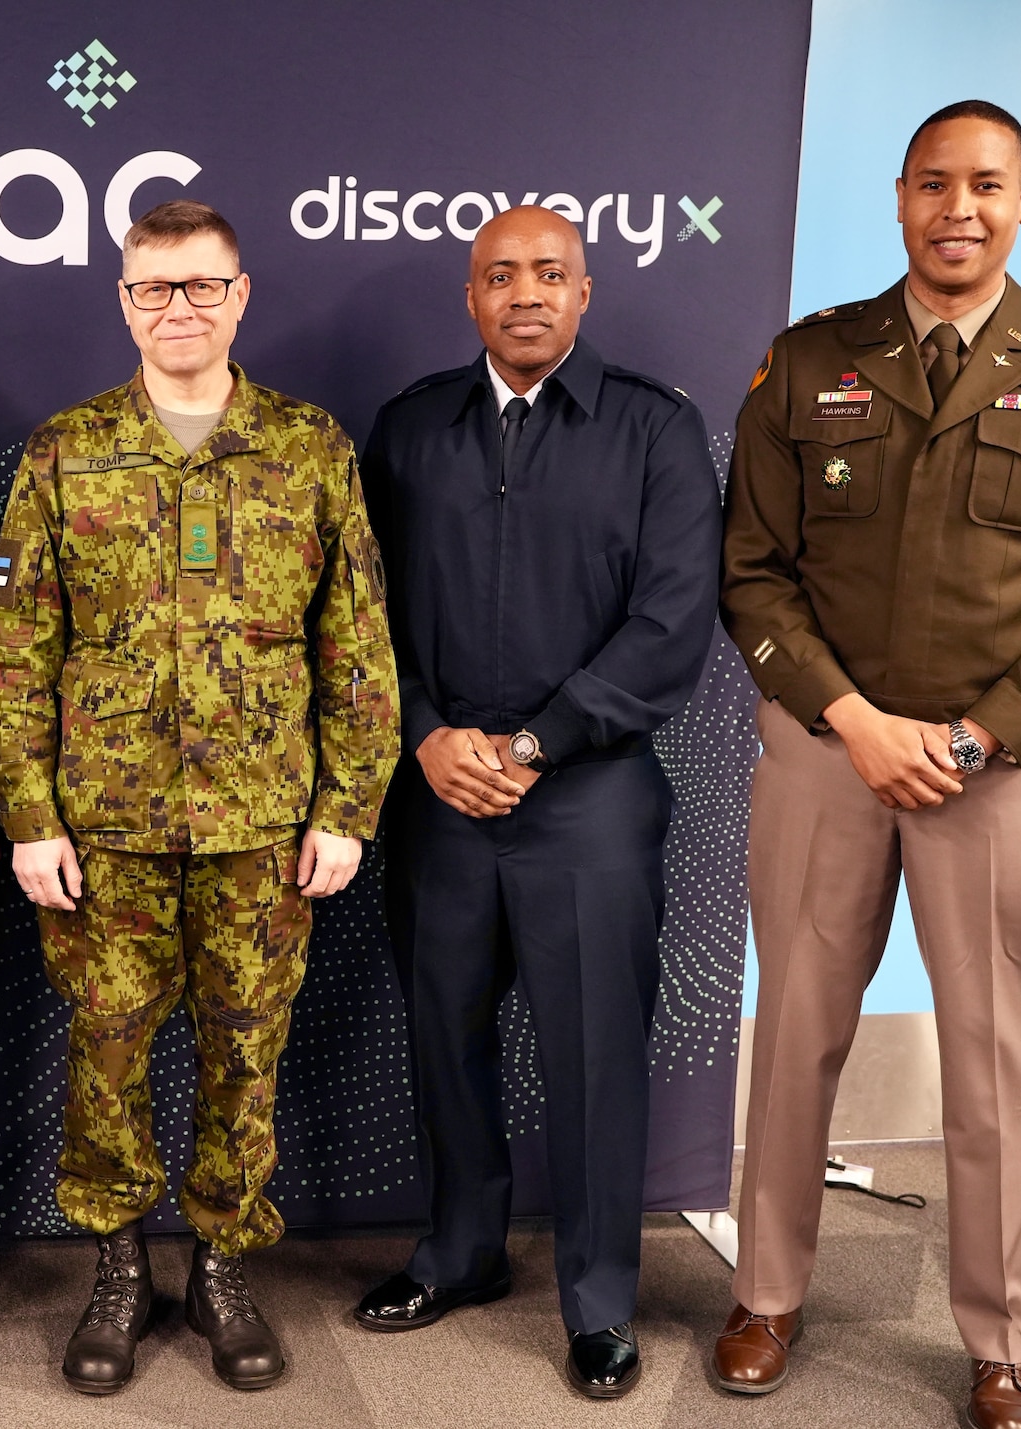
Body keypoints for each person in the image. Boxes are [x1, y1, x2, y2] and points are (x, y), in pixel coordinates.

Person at [716, 101, 1021, 1429]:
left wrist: (978, 734)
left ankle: (1008, 1341)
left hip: (998, 769)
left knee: (996, 1062)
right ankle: (766, 1294)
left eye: (985, 185)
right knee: (794, 1035)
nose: (957, 208)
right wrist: (855, 719)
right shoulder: (810, 361)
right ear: (899, 198)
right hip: (824, 753)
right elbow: (753, 572)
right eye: (933, 184)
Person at [0, 199, 399, 1394]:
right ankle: (118, 1269)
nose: (177, 308)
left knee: (245, 1052)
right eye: (152, 288)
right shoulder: (65, 449)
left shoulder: (309, 447)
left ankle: (220, 1262)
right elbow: (18, 649)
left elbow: (355, 642)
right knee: (103, 1053)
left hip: (262, 829)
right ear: (122, 301)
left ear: (240, 294)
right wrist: (28, 815)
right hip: (101, 830)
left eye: (199, 286)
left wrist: (345, 808)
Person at [352, 206, 722, 1398]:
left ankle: (599, 1297)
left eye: (548, 273)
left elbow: (670, 625)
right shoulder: (409, 428)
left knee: (594, 1056)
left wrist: (532, 742)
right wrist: (423, 737)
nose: (524, 292)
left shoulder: (655, 432)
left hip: (590, 800)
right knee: (442, 1041)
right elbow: (357, 616)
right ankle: (458, 1252)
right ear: (469, 298)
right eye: (498, 274)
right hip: (438, 795)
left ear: (584, 291)